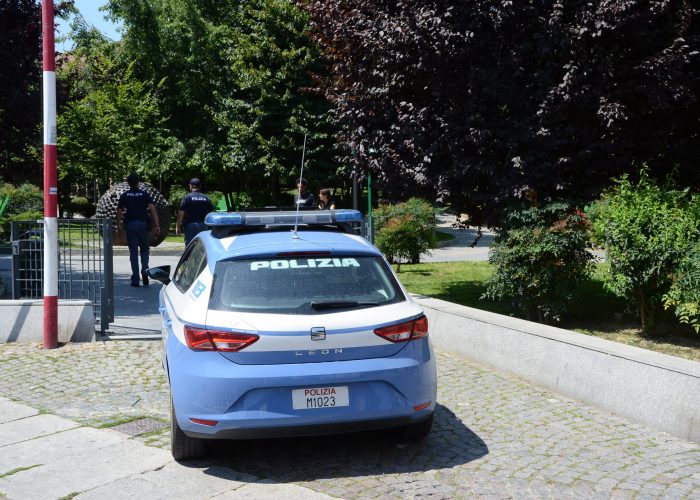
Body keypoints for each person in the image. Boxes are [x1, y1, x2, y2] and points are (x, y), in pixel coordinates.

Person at [116, 172, 160, 287]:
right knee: (145, 250)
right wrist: (156, 225)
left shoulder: (125, 195)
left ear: (128, 183)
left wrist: (119, 225)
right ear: (138, 182)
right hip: (143, 225)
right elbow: (153, 209)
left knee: (134, 253)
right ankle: (145, 270)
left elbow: (119, 211)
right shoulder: (144, 194)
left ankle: (135, 279)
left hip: (130, 225)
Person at [176, 178, 214, 246]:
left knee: (190, 246)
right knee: (202, 245)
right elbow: (212, 213)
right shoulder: (206, 198)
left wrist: (178, 226)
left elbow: (181, 212)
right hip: (203, 225)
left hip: (190, 226)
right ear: (200, 186)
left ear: (190, 186)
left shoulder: (187, 198)